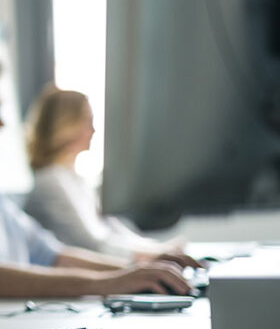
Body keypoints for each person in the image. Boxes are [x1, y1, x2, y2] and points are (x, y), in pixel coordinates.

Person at [0, 49, 199, 317]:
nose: (0, 123)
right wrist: (107, 284)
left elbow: (50, 253)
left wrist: (129, 274)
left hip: (14, 324)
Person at [23, 85, 185, 260]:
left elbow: (111, 231)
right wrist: (157, 254)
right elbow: (92, 245)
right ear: (67, 125)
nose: (93, 130)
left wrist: (158, 249)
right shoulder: (51, 182)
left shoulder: (75, 180)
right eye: (87, 121)